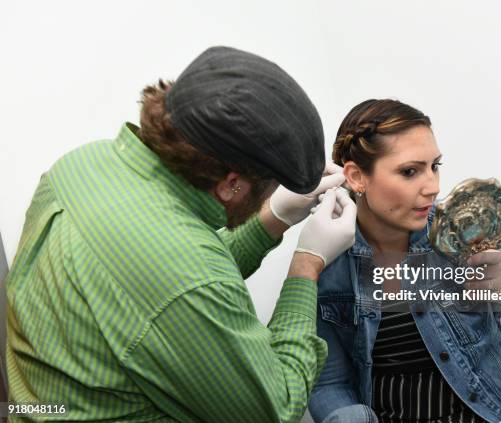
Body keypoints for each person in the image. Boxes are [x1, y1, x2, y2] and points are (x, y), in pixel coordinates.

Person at [6, 46, 356, 422]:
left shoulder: (82, 164)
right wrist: (307, 263)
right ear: (231, 183)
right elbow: (276, 408)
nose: (272, 194)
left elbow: (160, 276)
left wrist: (272, 217)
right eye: (270, 187)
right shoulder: (189, 278)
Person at [308, 99, 501, 423]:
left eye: (435, 166)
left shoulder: (468, 228)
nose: (433, 187)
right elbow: (329, 384)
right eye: (410, 171)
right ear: (356, 177)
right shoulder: (328, 261)